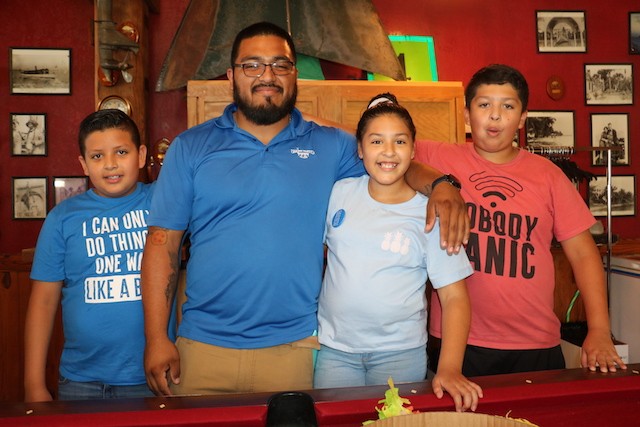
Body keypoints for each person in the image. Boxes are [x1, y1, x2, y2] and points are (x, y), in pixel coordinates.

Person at [141, 21, 469, 397]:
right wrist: (156, 338)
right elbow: (162, 243)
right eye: (252, 65)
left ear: (295, 74)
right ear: (231, 76)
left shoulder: (330, 147)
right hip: (202, 348)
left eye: (280, 65)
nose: (267, 75)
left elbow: (388, 157)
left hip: (294, 351)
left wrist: (441, 184)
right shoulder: (190, 147)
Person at [410, 64, 627, 376]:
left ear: (523, 118)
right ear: (467, 115)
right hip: (457, 343)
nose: (495, 116)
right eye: (484, 105)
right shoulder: (438, 156)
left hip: (535, 342)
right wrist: (440, 183)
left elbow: (583, 253)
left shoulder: (549, 176)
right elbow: (378, 147)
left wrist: (600, 330)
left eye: (508, 106)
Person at [313, 94, 482, 412]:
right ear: (360, 149)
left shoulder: (431, 213)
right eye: (376, 141)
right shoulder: (339, 194)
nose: (388, 151)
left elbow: (454, 297)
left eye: (399, 141)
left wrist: (449, 368)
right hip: (335, 351)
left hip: (400, 355)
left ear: (413, 150)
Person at [24, 109, 154, 401]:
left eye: (121, 152)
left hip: (152, 376)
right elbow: (43, 302)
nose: (110, 164)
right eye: (97, 156)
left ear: (141, 155)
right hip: (81, 381)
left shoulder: (163, 201)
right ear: (83, 164)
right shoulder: (62, 218)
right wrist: (33, 384)